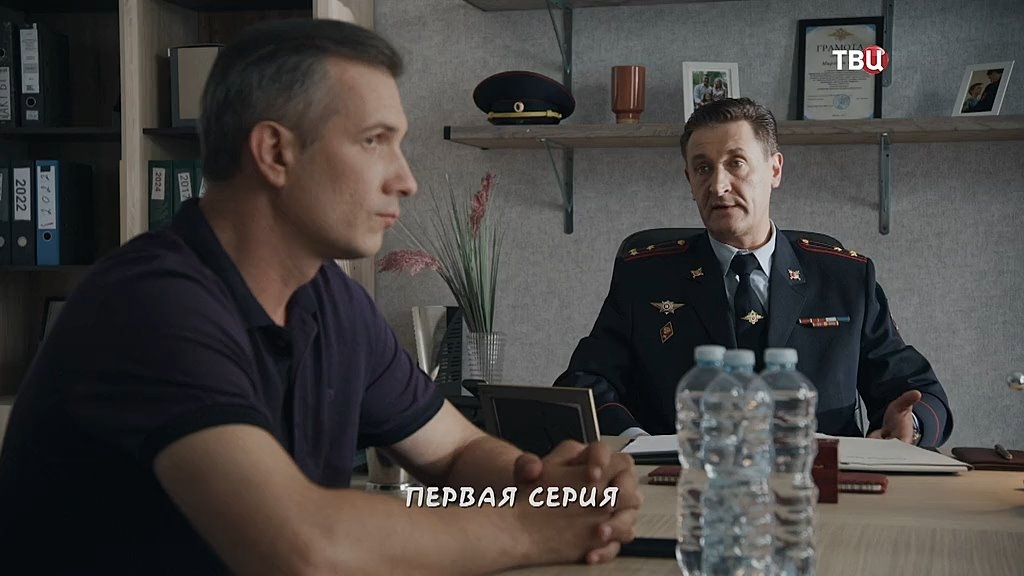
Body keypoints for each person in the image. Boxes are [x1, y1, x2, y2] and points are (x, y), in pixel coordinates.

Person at [0, 19, 641, 575]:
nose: (406, 180)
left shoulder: (333, 301)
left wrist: (557, 490)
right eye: (375, 140)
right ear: (275, 151)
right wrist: (529, 530)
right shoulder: (151, 306)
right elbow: (299, 548)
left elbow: (454, 455)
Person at [555, 97, 953, 448]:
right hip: (681, 480)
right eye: (703, 168)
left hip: (816, 482)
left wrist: (911, 426)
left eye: (736, 163)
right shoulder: (644, 277)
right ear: (689, 181)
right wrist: (636, 442)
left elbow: (919, 392)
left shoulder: (845, 279)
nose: (718, 185)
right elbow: (583, 383)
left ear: (774, 170)